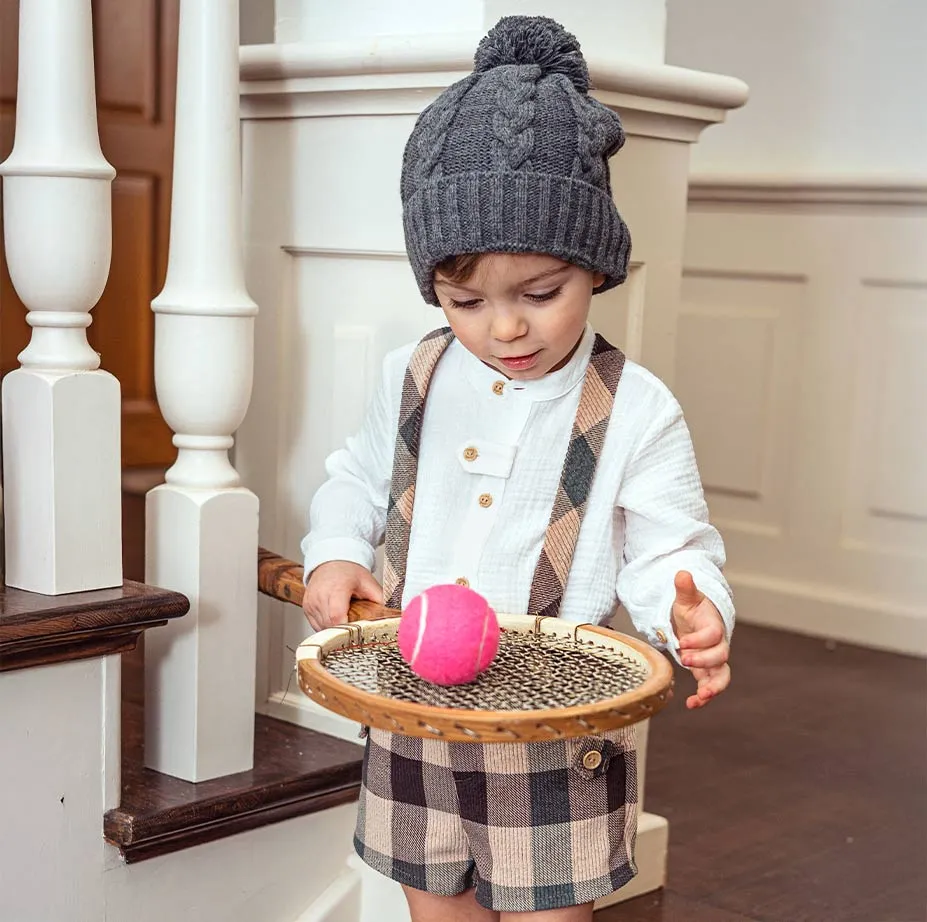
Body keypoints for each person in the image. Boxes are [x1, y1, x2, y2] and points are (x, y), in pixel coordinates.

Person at [300, 15, 734, 922]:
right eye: (465, 300)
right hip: (412, 703)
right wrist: (337, 550)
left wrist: (690, 612)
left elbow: (667, 548)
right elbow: (353, 475)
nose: (504, 328)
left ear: (595, 269)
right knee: (433, 901)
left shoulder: (636, 405)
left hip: (552, 728)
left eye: (541, 295)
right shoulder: (411, 372)